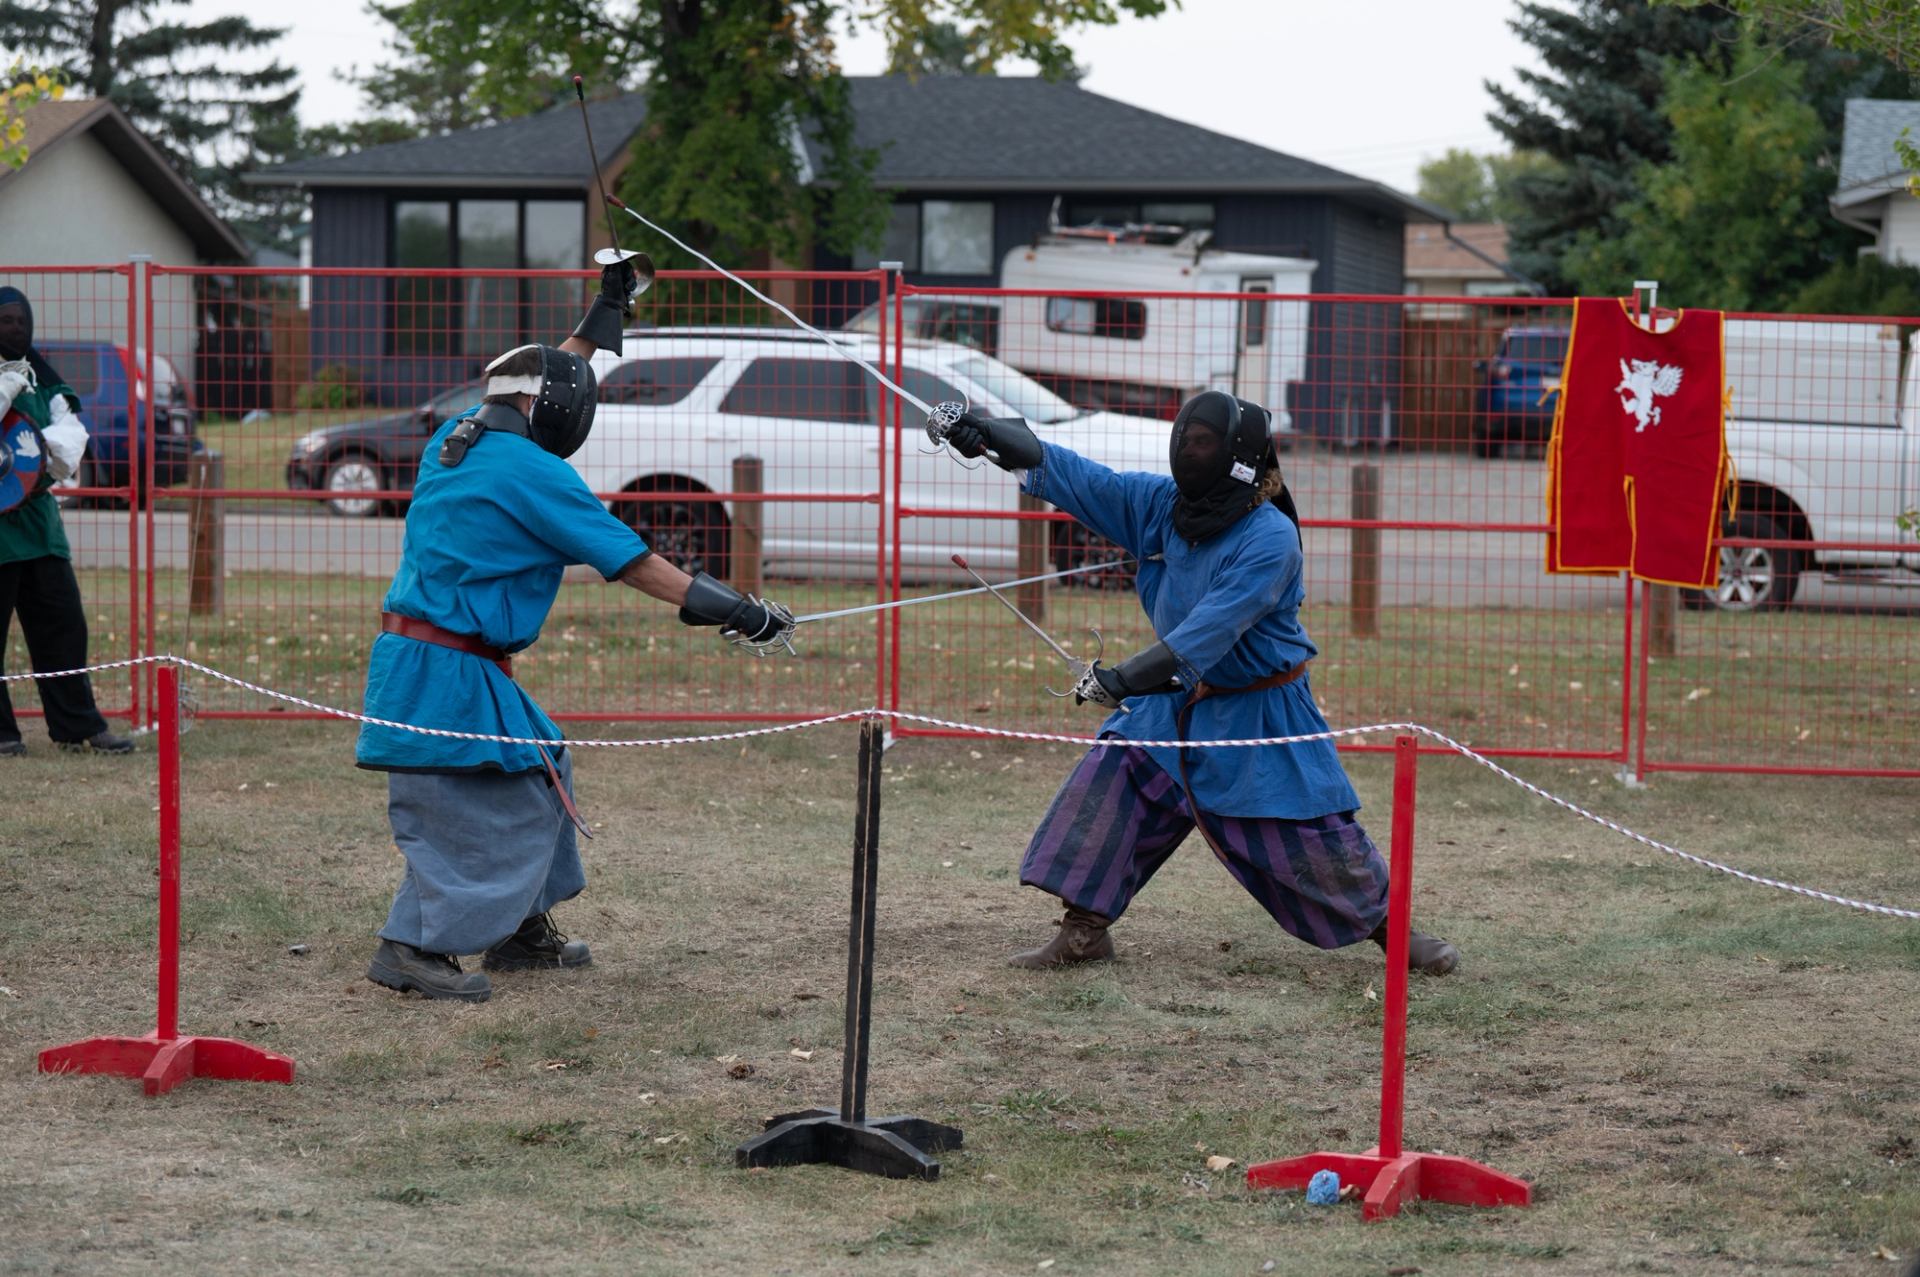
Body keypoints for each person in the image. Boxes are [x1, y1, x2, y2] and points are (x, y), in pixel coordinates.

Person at [356, 257, 796, 1003]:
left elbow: (543, 375)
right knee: (463, 805)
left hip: (439, 661)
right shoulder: (537, 475)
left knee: (536, 770)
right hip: (445, 670)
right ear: (549, 410)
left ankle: (520, 928)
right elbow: (636, 564)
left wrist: (606, 308)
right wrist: (742, 612)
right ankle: (410, 946)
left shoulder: (455, 439)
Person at [944, 392, 1458, 975]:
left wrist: (1120, 680)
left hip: (1256, 708)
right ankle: (1084, 931)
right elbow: (1085, 481)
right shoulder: (1161, 503)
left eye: (1202, 443)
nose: (1187, 451)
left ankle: (1394, 932)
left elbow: (1205, 633)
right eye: (1184, 439)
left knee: (1309, 843)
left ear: (1238, 456)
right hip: (1171, 704)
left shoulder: (1269, 538)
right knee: (1112, 788)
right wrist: (987, 439)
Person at [0, 285, 135, 758]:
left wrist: (39, 458)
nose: (15, 329)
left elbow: (67, 441)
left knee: (63, 627)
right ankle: (3, 735)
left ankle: (78, 726)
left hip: (37, 521)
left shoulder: (44, 380)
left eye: (21, 321)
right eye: (5, 321)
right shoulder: (14, 380)